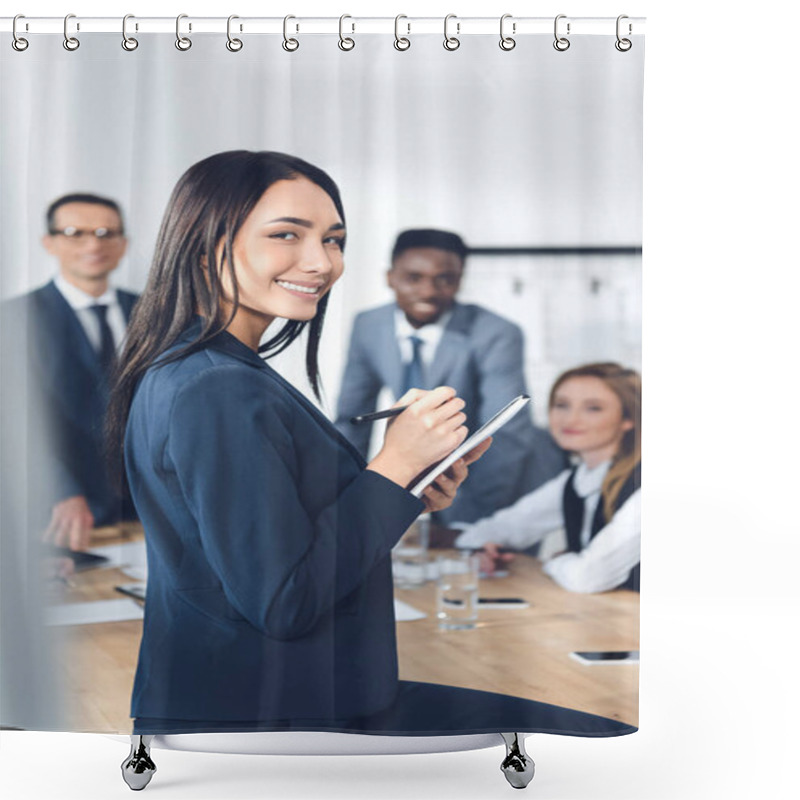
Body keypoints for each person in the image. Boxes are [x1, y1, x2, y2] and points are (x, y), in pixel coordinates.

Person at [106, 151, 633, 739]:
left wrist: (403, 486)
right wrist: (394, 464)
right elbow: (286, 600)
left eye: (335, 240)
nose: (322, 263)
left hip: (273, 699)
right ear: (206, 246)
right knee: (602, 739)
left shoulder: (202, 370)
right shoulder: (217, 387)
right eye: (287, 235)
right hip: (270, 716)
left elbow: (288, 537)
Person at [335, 228, 566, 526]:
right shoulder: (368, 325)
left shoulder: (497, 333)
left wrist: (465, 525)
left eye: (445, 279)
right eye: (413, 278)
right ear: (390, 277)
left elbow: (505, 435)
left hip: (504, 481)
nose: (429, 291)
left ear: (459, 280)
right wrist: (349, 499)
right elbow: (352, 420)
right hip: (431, 475)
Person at [6, 193, 138, 551]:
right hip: (62, 512)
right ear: (48, 243)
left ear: (123, 244)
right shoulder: (15, 320)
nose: (93, 243)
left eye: (105, 232)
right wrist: (60, 491)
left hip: (145, 508)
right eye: (74, 232)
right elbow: (13, 421)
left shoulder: (150, 312)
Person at [455, 363, 641, 593]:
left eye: (593, 408)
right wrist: (484, 548)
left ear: (628, 419)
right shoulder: (576, 480)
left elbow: (587, 578)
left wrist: (555, 561)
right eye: (562, 405)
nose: (571, 419)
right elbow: (494, 529)